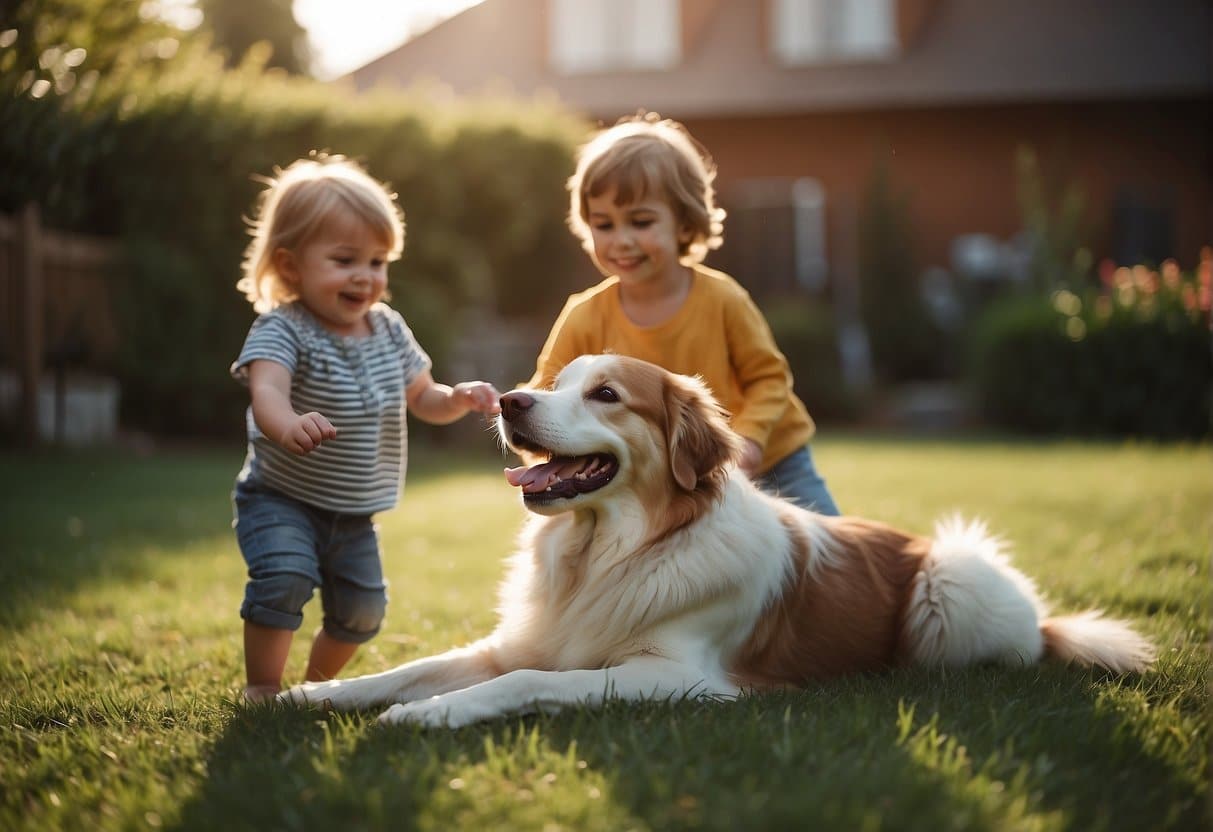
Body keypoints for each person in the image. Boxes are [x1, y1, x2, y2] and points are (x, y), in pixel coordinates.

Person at [229, 154, 501, 703]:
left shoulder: (388, 329)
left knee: (363, 611)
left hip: (354, 512)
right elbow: (267, 393)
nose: (366, 276)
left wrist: (458, 397)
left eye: (378, 261)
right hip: (281, 497)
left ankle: (315, 689)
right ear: (289, 266)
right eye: (345, 259)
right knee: (282, 577)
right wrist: (288, 426)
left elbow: (423, 397)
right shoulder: (283, 329)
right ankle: (262, 688)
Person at [528, 113, 840, 515]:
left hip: (775, 463)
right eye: (603, 224)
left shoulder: (723, 299)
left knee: (826, 550)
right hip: (676, 473)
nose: (621, 241)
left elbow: (769, 378)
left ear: (685, 222)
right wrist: (517, 409)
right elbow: (547, 387)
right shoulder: (584, 314)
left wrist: (750, 441)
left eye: (640, 222)